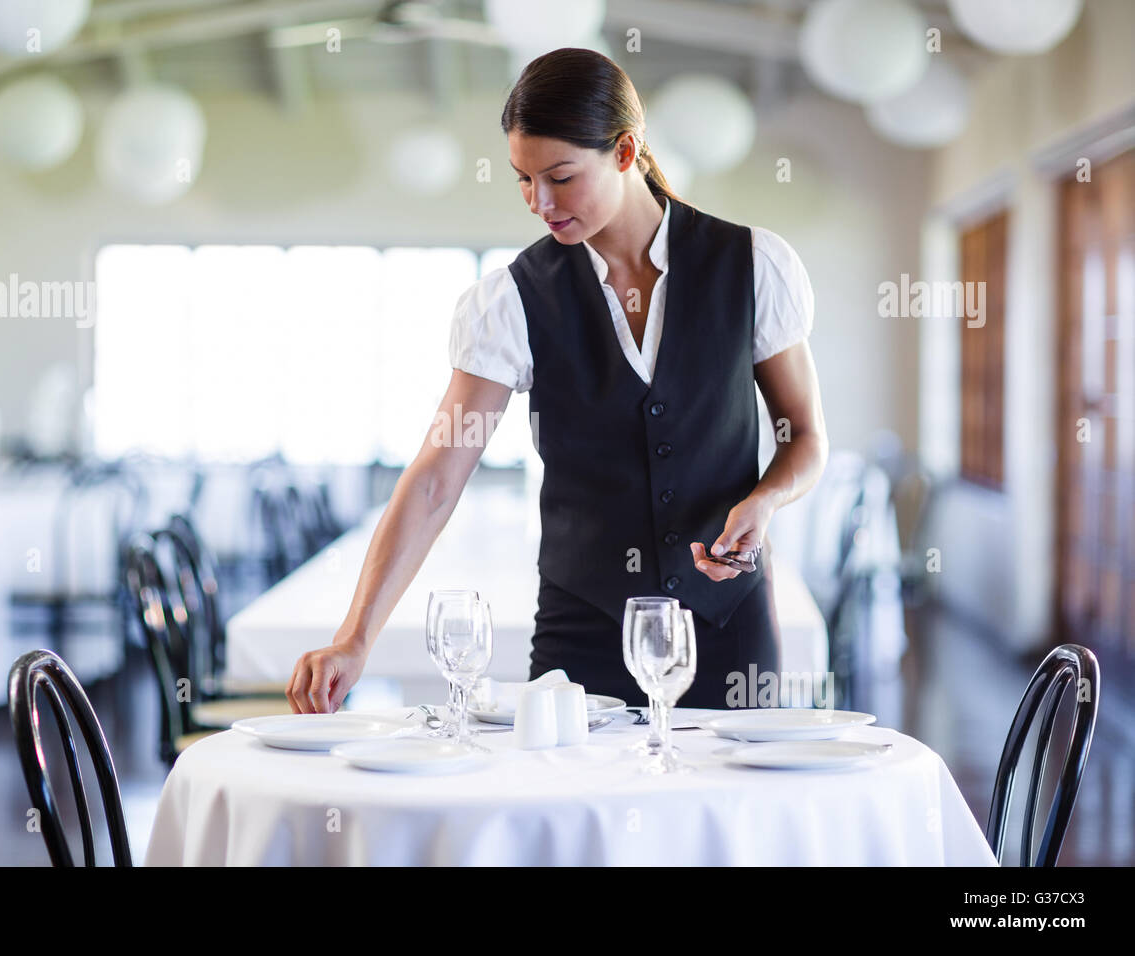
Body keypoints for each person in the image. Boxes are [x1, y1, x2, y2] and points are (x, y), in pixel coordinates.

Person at [287, 47, 828, 713]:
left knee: (731, 813)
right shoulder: (511, 300)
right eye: (521, 179)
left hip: (727, 627)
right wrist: (354, 637)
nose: (538, 202)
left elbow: (804, 436)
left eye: (560, 177)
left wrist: (766, 500)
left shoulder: (753, 265)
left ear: (626, 153)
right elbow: (435, 479)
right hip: (583, 632)